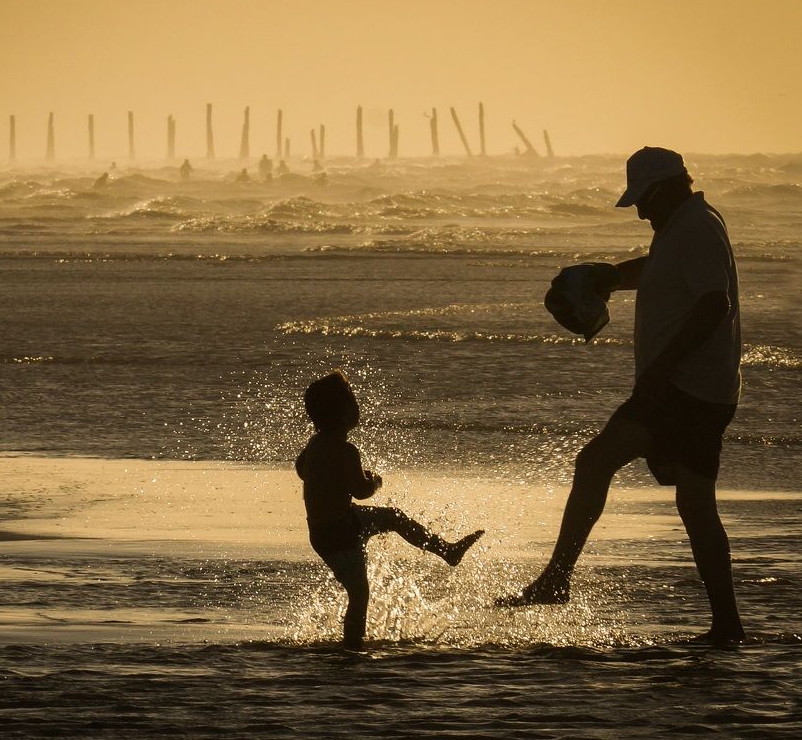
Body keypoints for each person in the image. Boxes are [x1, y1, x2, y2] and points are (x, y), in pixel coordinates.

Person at [497, 147, 745, 644]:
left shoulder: (695, 228)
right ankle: (727, 625)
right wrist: (610, 276)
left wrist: (665, 367)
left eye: (644, 200)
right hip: (701, 389)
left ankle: (555, 580)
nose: (639, 211)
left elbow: (714, 302)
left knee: (594, 464)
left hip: (682, 388)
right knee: (695, 505)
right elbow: (663, 269)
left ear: (666, 189)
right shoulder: (688, 225)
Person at [296, 371, 483, 649]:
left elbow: (301, 470)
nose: (356, 405)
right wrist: (374, 481)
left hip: (326, 530)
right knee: (359, 593)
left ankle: (447, 550)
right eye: (352, 401)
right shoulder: (346, 451)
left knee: (392, 519)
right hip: (342, 532)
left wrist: (328, 479)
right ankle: (352, 646)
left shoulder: (315, 445)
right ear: (344, 413)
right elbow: (361, 490)